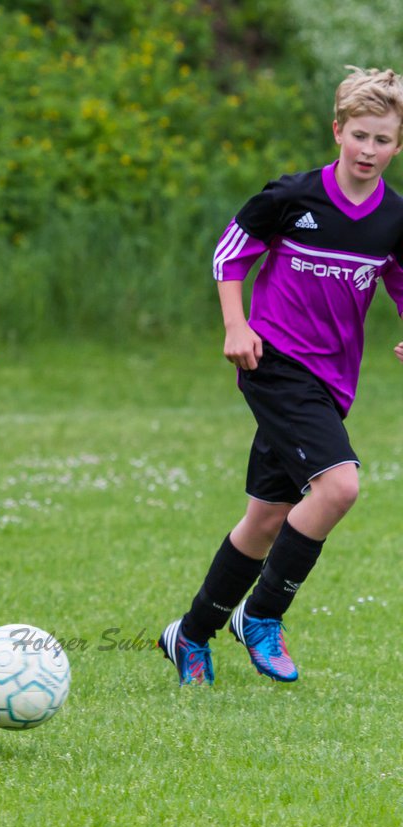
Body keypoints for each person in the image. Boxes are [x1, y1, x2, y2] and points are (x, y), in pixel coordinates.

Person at [159, 66, 403, 686]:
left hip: (333, 382)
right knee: (340, 487)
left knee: (267, 518)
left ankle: (189, 635)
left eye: (383, 140)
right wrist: (236, 325)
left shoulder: (394, 219)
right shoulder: (293, 197)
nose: (369, 151)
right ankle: (262, 615)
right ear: (337, 131)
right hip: (273, 363)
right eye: (360, 136)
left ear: (398, 145)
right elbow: (229, 253)